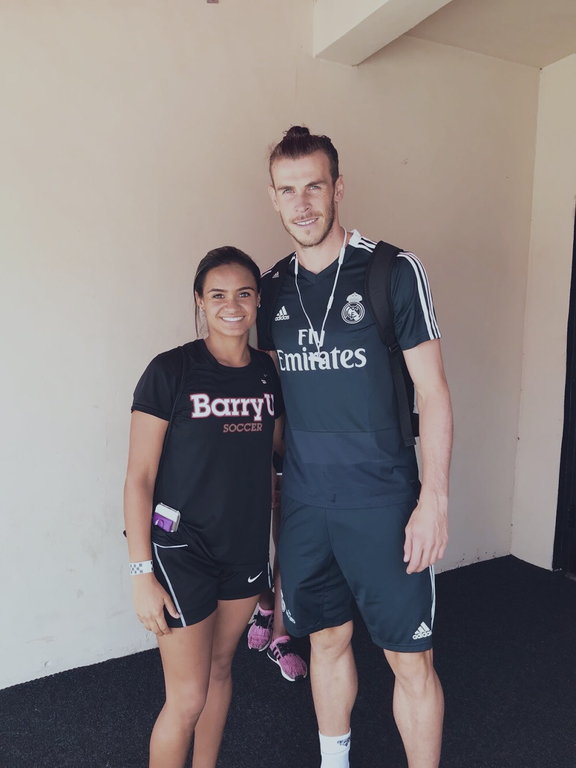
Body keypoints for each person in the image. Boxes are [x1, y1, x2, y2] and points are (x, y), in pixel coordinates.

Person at [256, 127, 453, 768]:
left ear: (338, 188)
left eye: (314, 186)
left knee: (410, 659)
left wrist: (434, 499)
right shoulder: (271, 287)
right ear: (273, 198)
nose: (302, 203)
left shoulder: (391, 270)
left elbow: (435, 392)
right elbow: (275, 405)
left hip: (385, 503)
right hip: (307, 506)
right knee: (326, 641)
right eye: (288, 190)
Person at [124, 246, 284, 768]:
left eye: (244, 293)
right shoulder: (171, 370)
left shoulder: (269, 374)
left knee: (219, 668)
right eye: (218, 295)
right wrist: (141, 573)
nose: (231, 305)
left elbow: (282, 449)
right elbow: (139, 478)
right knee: (187, 697)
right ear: (199, 301)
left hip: (244, 548)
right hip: (181, 550)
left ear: (257, 301)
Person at [247, 452, 308, 682]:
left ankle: (279, 637)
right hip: (242, 452)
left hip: (290, 454)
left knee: (286, 545)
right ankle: (266, 604)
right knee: (246, 545)